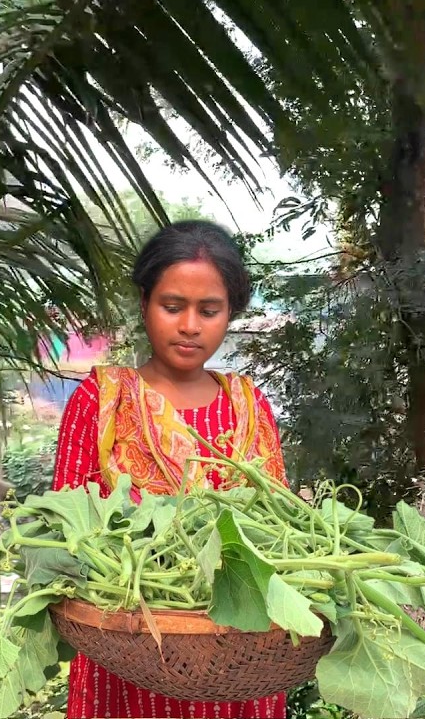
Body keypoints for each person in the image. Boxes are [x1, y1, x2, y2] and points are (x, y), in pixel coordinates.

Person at [52, 220, 289, 719]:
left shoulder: (249, 404)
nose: (190, 326)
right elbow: (63, 528)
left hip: (238, 663)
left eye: (209, 310)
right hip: (129, 660)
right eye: (172, 306)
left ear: (230, 314)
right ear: (144, 304)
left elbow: (278, 529)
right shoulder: (103, 400)